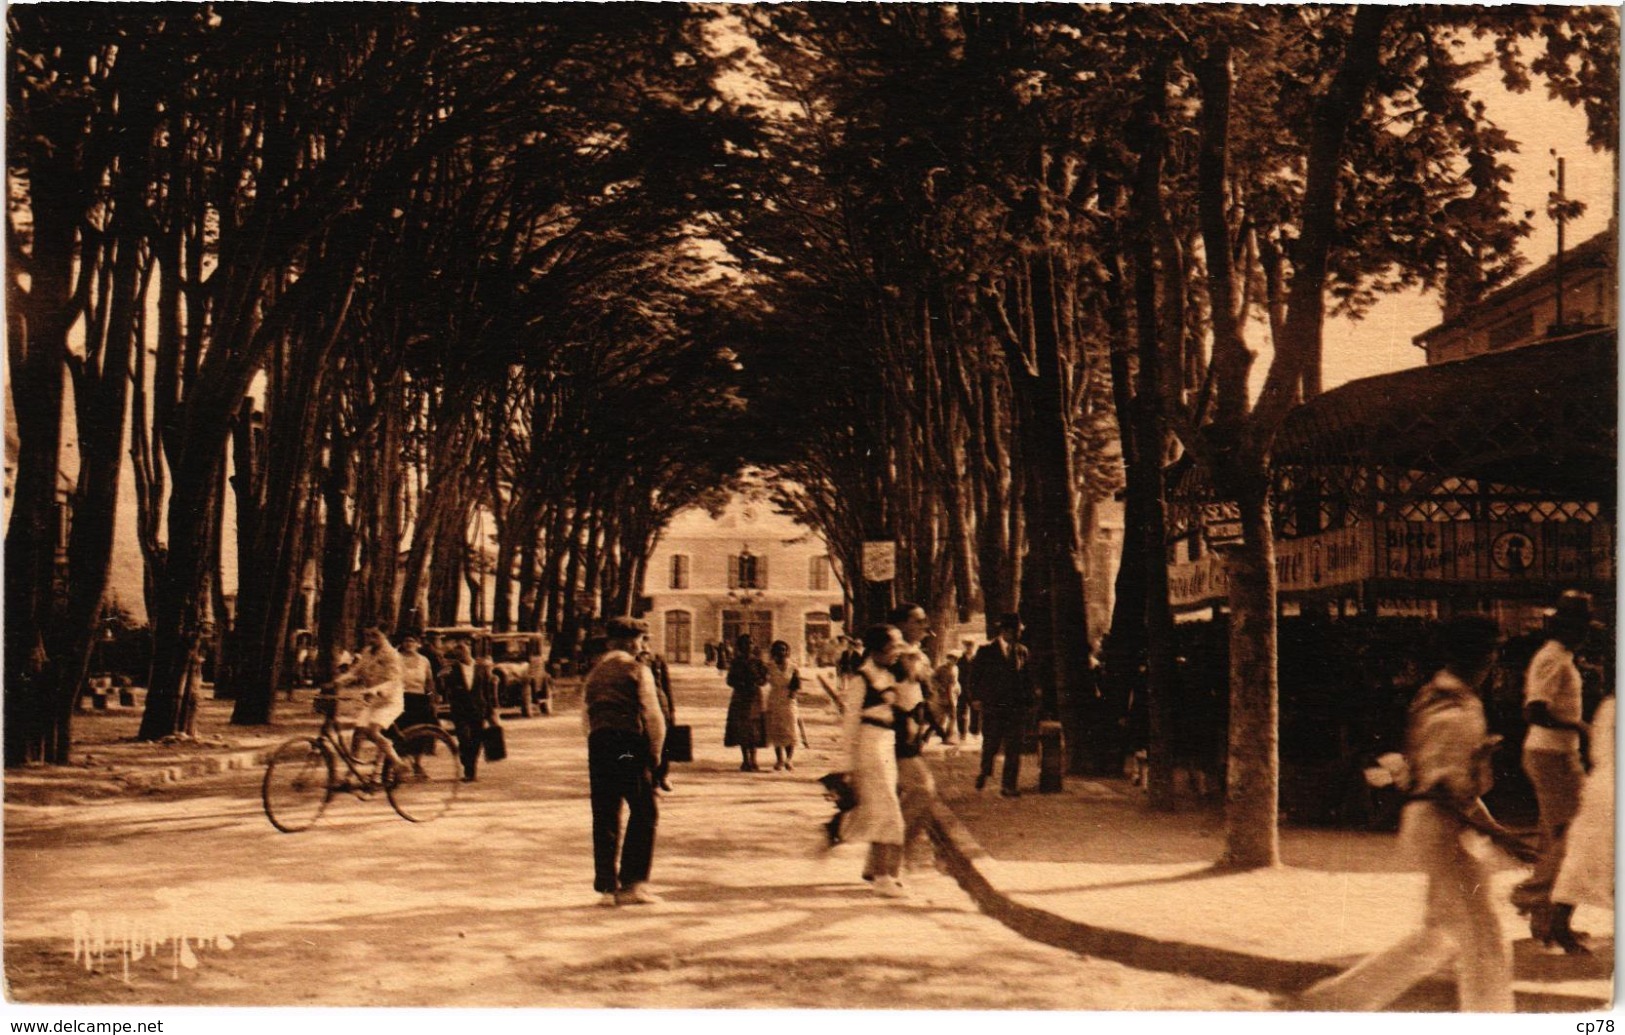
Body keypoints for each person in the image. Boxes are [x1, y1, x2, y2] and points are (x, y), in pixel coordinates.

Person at [1292, 614, 1535, 1013]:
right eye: (1492, 650)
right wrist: (1498, 834)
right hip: (1440, 827)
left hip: (1435, 824)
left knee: (1439, 934)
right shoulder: (1453, 704)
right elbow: (1443, 788)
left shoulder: (1444, 694)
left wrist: (1493, 823)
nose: (1493, 659)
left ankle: (1334, 1002)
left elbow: (1448, 781)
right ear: (1479, 655)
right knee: (1483, 937)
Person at [1512, 590, 1594, 951]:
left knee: (1557, 836)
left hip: (1558, 755)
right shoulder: (1551, 658)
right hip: (1551, 755)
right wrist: (1579, 726)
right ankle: (1533, 900)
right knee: (1571, 838)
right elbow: (1535, 711)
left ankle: (1546, 921)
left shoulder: (1563, 657)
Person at [583, 616, 666, 906]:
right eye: (641, 640)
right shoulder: (637, 670)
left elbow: (585, 717)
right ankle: (633, 884)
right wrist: (655, 753)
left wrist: (595, 745)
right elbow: (653, 716)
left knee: (605, 813)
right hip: (628, 744)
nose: (642, 645)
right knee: (644, 810)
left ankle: (606, 888)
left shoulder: (594, 673)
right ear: (632, 642)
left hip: (599, 744)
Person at [843, 624, 909, 898]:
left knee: (886, 809)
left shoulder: (887, 674)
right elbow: (849, 723)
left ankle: (884, 872)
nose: (897, 652)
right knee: (888, 810)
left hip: (886, 743)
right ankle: (883, 876)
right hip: (869, 746)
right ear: (878, 648)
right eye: (893, 646)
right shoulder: (863, 678)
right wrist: (848, 766)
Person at [886, 603, 946, 869]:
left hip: (910, 736)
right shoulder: (890, 657)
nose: (925, 626)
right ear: (901, 624)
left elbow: (925, 694)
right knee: (922, 790)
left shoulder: (916, 655)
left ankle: (883, 863)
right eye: (918, 621)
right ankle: (890, 861)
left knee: (903, 798)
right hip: (893, 735)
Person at [968, 613, 1035, 796]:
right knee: (991, 744)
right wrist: (975, 698)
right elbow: (974, 678)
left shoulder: (1022, 651)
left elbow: (1027, 679)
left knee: (1014, 747)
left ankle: (1008, 786)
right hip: (993, 707)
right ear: (1006, 631)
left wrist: (1029, 702)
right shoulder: (986, 651)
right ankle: (985, 771)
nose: (1019, 634)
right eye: (1017, 631)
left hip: (1016, 708)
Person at [333, 622, 412, 773]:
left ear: (385, 635)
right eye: (369, 635)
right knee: (358, 733)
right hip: (374, 702)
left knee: (372, 730)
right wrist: (337, 681)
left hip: (390, 701)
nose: (371, 639)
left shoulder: (391, 654)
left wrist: (375, 690)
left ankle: (397, 762)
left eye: (375, 636)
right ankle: (352, 773)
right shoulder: (368, 652)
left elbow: (394, 681)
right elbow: (356, 671)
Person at [441, 640, 499, 782]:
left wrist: (492, 711)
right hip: (460, 710)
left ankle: (472, 770)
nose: (462, 655)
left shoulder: (481, 668)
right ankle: (467, 768)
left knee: (476, 740)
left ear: (469, 651)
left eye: (464, 651)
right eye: (458, 653)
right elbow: (441, 686)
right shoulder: (452, 669)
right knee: (464, 738)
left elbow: (488, 691)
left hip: (478, 709)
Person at [724, 634, 768, 771]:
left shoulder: (759, 662)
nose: (748, 646)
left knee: (754, 728)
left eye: (751, 643)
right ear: (740, 646)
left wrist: (759, 680)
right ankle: (745, 760)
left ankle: (754, 760)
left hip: (755, 697)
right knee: (742, 728)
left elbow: (764, 680)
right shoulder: (736, 662)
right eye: (745, 644)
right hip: (740, 697)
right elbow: (729, 680)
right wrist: (740, 683)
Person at [638, 647, 677, 792]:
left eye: (646, 639)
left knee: (664, 740)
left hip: (660, 703)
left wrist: (671, 709)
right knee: (642, 740)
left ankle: (662, 776)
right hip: (639, 704)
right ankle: (647, 777)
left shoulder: (657, 658)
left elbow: (667, 685)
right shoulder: (630, 661)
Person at [764, 640, 802, 771]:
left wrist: (792, 693)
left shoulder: (793, 667)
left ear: (787, 652)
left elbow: (797, 684)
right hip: (774, 698)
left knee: (790, 728)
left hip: (788, 700)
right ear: (774, 652)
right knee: (776, 729)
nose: (782, 652)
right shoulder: (769, 666)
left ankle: (789, 759)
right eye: (779, 650)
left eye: (784, 650)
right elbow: (762, 680)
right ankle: (779, 759)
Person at [395, 631, 440, 731]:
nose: (409, 644)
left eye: (412, 641)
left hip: (419, 699)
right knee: (403, 730)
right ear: (402, 643)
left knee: (423, 728)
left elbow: (429, 683)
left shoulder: (424, 661)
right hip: (401, 698)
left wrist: (431, 700)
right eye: (406, 641)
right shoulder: (396, 658)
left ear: (417, 644)